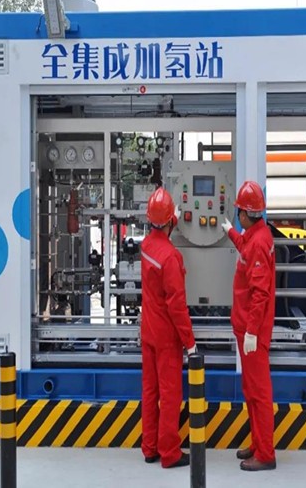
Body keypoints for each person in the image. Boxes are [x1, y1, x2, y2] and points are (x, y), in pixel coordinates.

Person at [221, 180, 277, 471]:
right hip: (246, 328)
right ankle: (257, 443)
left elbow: (260, 293)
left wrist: (253, 331)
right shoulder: (256, 235)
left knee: (259, 393)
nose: (237, 215)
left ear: (245, 213)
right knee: (251, 390)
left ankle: (265, 454)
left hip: (252, 330)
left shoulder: (258, 242)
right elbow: (244, 248)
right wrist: (230, 231)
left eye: (238, 212)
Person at [140, 187, 197, 469]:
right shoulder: (171, 257)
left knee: (150, 392)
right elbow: (177, 305)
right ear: (170, 221)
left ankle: (150, 447)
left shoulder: (146, 247)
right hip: (166, 336)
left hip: (148, 331)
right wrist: (190, 342)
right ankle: (170, 453)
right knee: (171, 394)